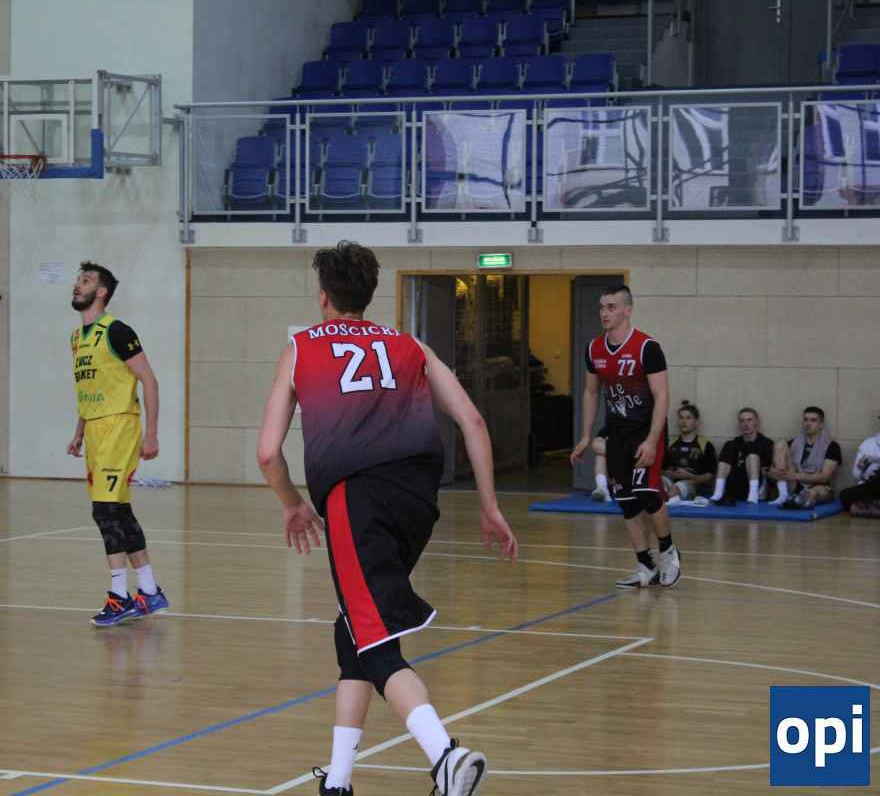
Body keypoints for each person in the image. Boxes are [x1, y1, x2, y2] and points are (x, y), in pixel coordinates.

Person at [257, 241, 517, 796]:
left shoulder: (301, 348)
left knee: (373, 640)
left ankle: (445, 756)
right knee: (353, 626)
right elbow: (472, 420)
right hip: (418, 502)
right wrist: (490, 505)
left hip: (357, 499)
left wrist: (293, 504)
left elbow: (267, 453)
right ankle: (339, 781)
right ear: (369, 294)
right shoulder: (409, 344)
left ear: (323, 296)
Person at [65, 261, 168, 627]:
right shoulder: (77, 338)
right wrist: (79, 430)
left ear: (102, 291)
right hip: (95, 430)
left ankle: (119, 596)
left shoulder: (117, 331)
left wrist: (151, 433)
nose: (77, 285)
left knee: (104, 511)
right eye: (78, 279)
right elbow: (88, 388)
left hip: (120, 427)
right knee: (119, 511)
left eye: (86, 280)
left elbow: (149, 381)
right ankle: (150, 590)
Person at [571, 285, 680, 589]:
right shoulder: (594, 349)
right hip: (616, 431)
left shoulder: (647, 348)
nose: (605, 313)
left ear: (628, 310)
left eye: (612, 307)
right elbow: (591, 392)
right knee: (627, 500)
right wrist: (585, 435)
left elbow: (662, 396)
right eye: (602, 307)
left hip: (646, 431)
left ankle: (669, 552)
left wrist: (652, 439)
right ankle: (645, 565)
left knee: (647, 493)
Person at [767, 406, 842, 508]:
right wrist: (774, 472)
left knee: (816, 491)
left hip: (818, 487)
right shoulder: (792, 443)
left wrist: (793, 476)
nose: (808, 423)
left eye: (813, 420)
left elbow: (824, 477)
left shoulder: (832, 446)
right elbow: (772, 471)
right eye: (805, 420)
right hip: (793, 484)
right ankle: (783, 495)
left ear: (821, 424)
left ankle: (801, 500)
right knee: (780, 444)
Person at [710, 408, 776, 506]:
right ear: (739, 424)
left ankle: (753, 494)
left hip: (758, 485)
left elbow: (768, 472)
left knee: (752, 454)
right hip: (736, 486)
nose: (746, 424)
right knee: (729, 445)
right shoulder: (734, 443)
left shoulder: (766, 443)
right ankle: (718, 491)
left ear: (757, 422)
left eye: (749, 420)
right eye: (742, 421)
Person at [662, 401, 718, 503]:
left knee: (676, 488)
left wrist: (690, 476)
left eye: (688, 418)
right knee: (659, 485)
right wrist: (669, 473)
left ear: (696, 422)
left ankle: (669, 500)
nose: (684, 421)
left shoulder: (706, 445)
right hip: (670, 480)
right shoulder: (671, 444)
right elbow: (661, 469)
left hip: (692, 483)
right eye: (681, 418)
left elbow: (710, 477)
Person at [840, 416, 880, 515]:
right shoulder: (868, 443)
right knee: (844, 495)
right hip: (873, 486)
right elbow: (856, 476)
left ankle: (865, 508)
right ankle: (872, 508)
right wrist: (860, 467)